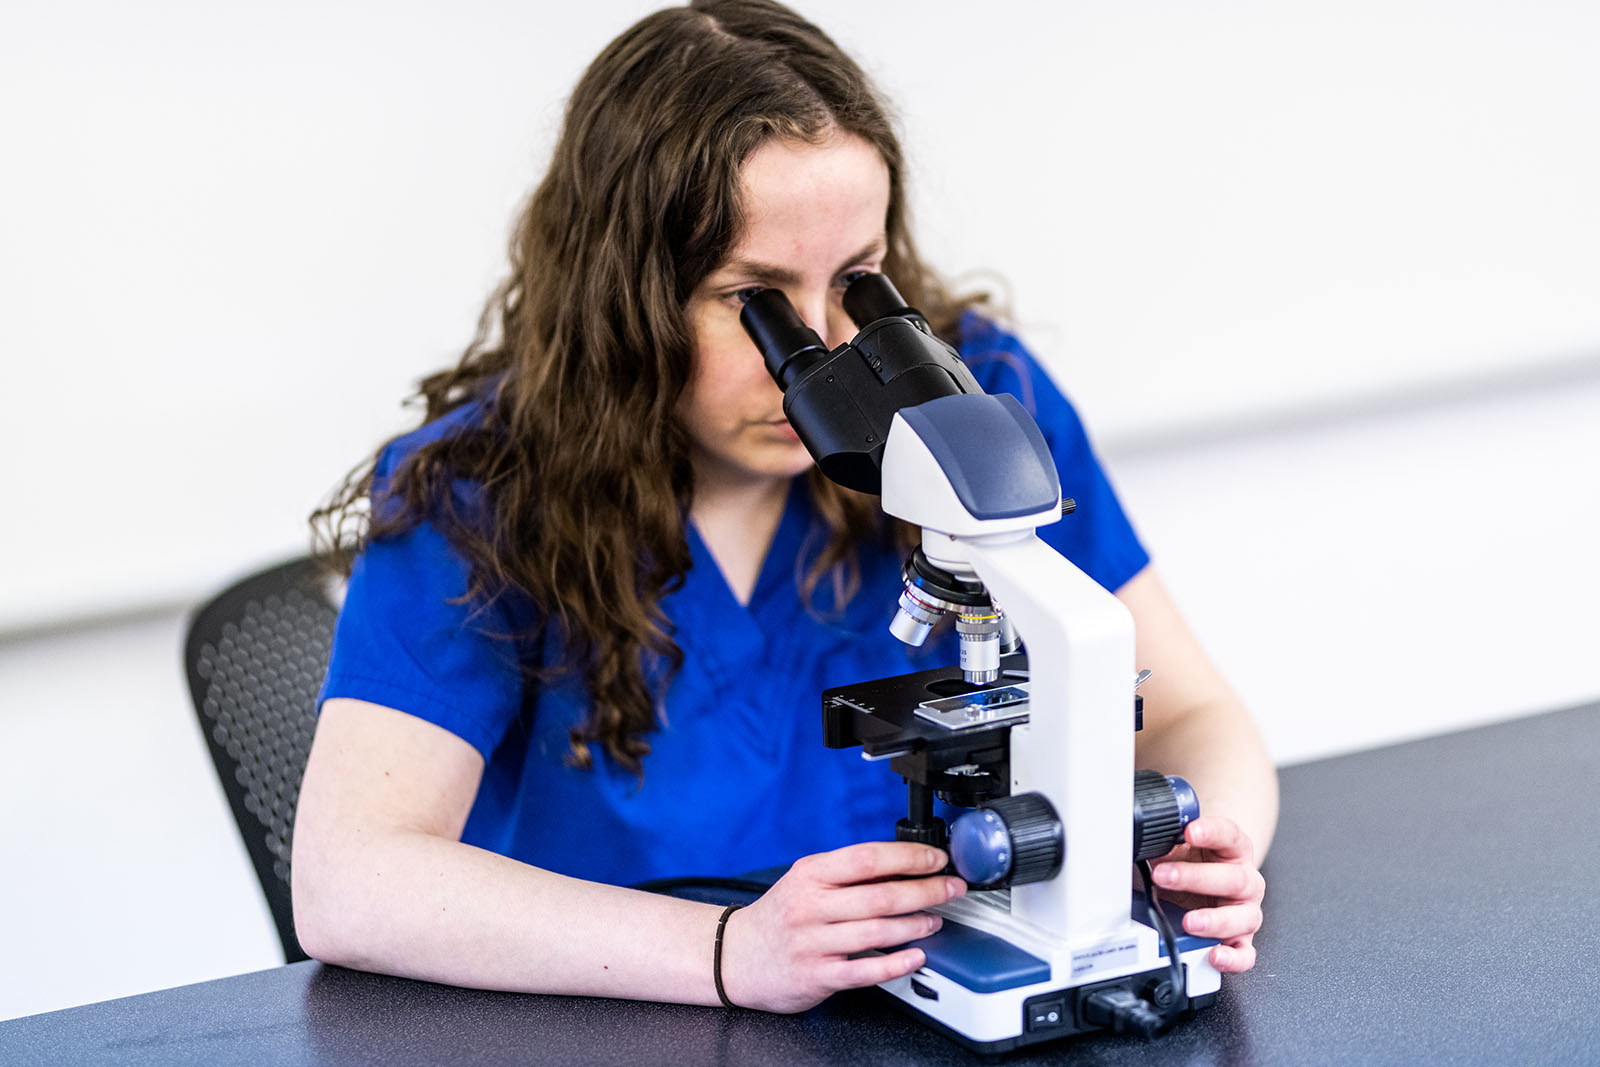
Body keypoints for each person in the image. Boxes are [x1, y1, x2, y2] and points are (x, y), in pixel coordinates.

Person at [292, 0, 1276, 1015]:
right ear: (624, 293)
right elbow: (349, 879)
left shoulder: (976, 401)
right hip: (628, 1022)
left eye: (853, 282)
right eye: (750, 299)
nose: (818, 354)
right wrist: (725, 951)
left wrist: (1202, 849)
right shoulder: (484, 489)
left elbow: (1192, 714)